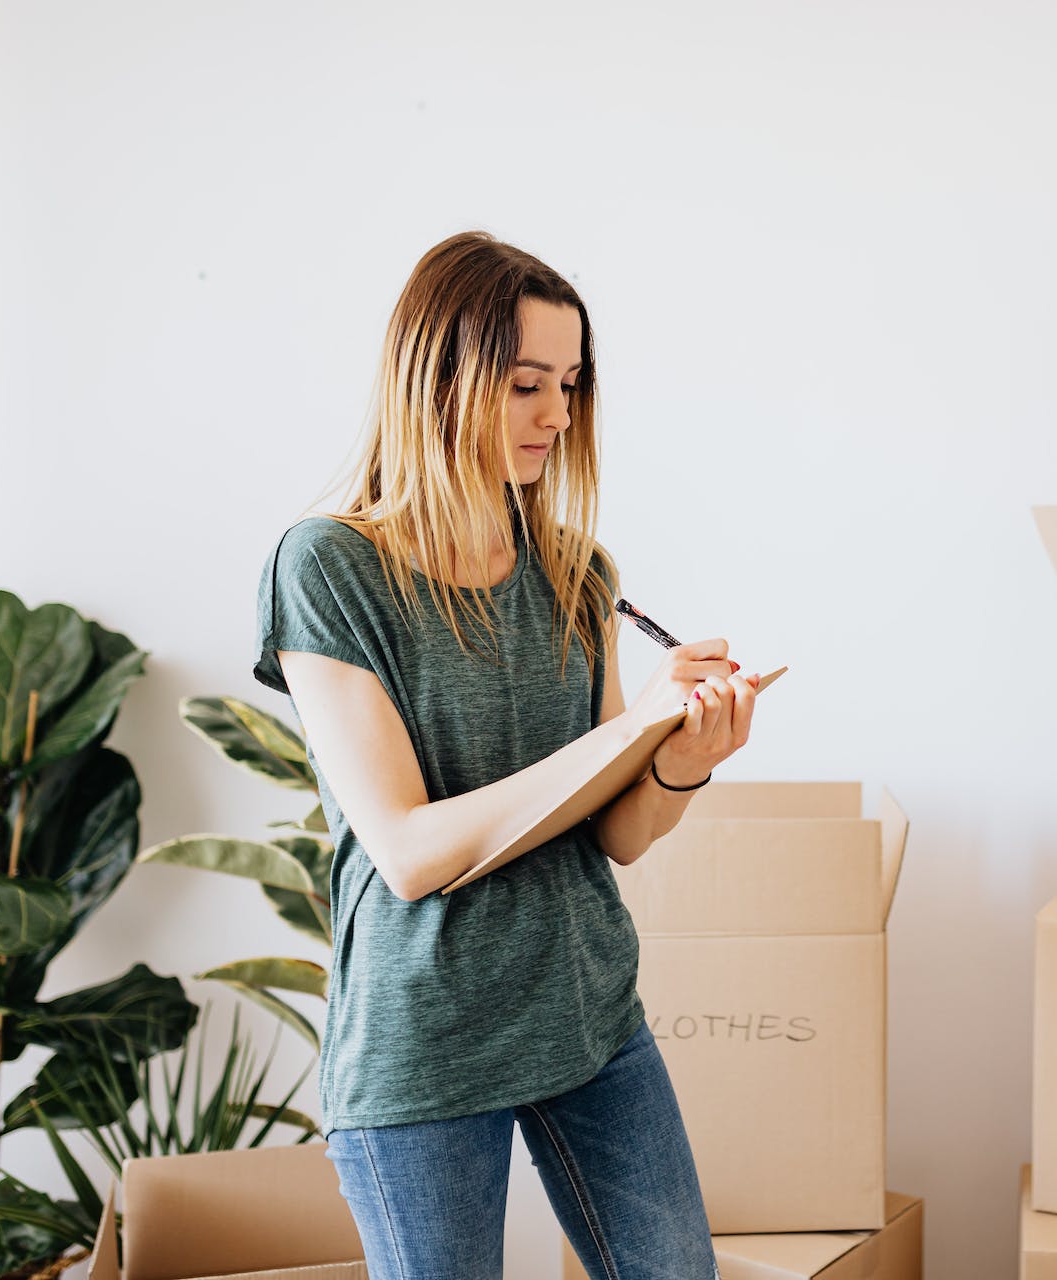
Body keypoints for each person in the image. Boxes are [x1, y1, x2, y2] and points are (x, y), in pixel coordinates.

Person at [250, 230, 761, 1279]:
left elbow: (617, 832)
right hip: (424, 1038)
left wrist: (684, 754)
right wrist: (629, 731)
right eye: (527, 382)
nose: (558, 415)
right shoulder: (329, 567)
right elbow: (407, 852)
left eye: (570, 384)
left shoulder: (577, 569)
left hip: (586, 1009)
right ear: (437, 376)